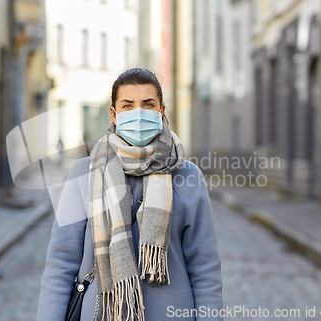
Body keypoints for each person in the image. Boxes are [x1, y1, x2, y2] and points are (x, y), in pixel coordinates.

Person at [36, 68, 223, 321]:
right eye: (128, 105)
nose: (138, 114)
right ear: (114, 114)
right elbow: (60, 264)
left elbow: (205, 269)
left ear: (161, 112)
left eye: (148, 105)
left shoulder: (187, 176)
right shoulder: (83, 173)